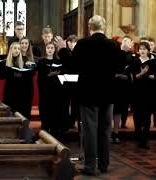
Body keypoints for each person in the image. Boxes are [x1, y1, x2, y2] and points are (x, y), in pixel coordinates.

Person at [56, 15, 119, 175]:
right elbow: (119, 67)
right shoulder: (112, 45)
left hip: (88, 94)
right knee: (105, 130)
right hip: (108, 94)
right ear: (103, 27)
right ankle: (104, 164)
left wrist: (63, 49)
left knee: (90, 130)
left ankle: (90, 166)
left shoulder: (83, 44)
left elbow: (72, 66)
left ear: (89, 27)